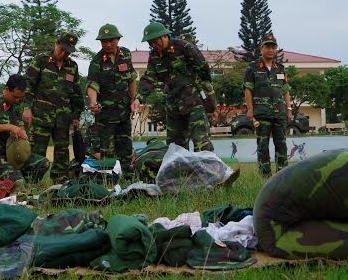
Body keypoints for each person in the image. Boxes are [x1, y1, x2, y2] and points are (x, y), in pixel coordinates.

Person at [131, 22, 216, 152]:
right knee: (175, 147)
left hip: (194, 102)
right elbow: (149, 78)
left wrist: (208, 97)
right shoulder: (154, 56)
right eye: (150, 43)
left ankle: (210, 171)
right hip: (173, 104)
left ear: (164, 36)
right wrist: (138, 99)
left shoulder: (184, 47)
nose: (153, 45)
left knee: (201, 142)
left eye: (155, 41)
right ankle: (181, 172)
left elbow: (204, 71)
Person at [23, 33, 85, 183]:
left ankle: (60, 182)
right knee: (37, 150)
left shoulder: (72, 66)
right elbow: (28, 86)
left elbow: (76, 94)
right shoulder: (40, 61)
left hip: (63, 118)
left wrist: (76, 115)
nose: (64, 53)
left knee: (62, 152)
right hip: (40, 115)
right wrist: (26, 108)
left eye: (68, 51)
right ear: (56, 44)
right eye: (62, 49)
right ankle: (32, 182)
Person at [0, 74, 48, 186]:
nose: (18, 100)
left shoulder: (15, 107)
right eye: (15, 97)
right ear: (6, 89)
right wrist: (9, 127)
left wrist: (22, 132)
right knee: (18, 181)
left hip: (14, 155)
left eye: (20, 98)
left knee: (43, 163)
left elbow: (20, 125)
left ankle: (28, 186)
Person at [86, 23, 137, 176]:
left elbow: (132, 79)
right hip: (105, 116)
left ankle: (128, 178)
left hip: (123, 112)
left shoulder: (126, 55)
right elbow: (92, 85)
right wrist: (93, 102)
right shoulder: (97, 61)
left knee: (126, 147)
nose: (107, 44)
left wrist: (134, 99)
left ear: (118, 39)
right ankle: (109, 180)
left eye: (111, 40)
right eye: (104, 41)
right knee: (107, 151)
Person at [244, 33, 293, 177]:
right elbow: (248, 89)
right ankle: (265, 176)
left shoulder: (281, 69)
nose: (271, 50)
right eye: (267, 47)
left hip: (279, 113)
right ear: (261, 49)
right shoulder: (252, 67)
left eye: (273, 47)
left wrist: (289, 109)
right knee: (262, 145)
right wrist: (250, 110)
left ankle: (282, 175)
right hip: (261, 113)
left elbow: (285, 90)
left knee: (281, 145)